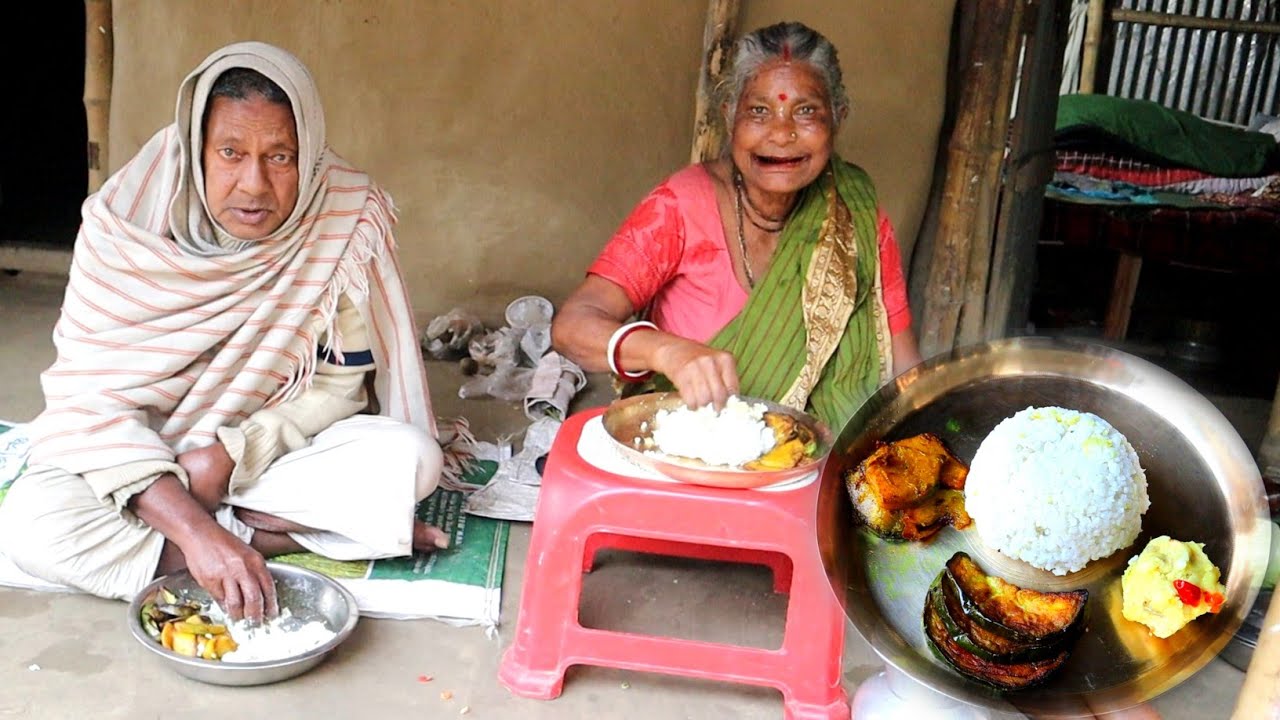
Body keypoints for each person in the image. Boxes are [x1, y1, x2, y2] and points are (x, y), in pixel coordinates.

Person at [0, 42, 449, 622]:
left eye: (280, 157)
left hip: (259, 460)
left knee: (410, 458)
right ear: (196, 150)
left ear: (307, 155)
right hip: (136, 455)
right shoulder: (122, 226)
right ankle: (267, 540)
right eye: (231, 153)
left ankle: (221, 535)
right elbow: (88, 402)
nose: (254, 184)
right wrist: (195, 530)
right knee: (35, 524)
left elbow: (340, 385)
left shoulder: (338, 216)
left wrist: (233, 453)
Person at [552, 21, 922, 431]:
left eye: (805, 111)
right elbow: (572, 327)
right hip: (687, 449)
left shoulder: (859, 213)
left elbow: (902, 367)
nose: (781, 134)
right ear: (730, 118)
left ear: (838, 119)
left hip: (816, 462)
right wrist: (666, 352)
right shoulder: (681, 204)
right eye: (759, 111)